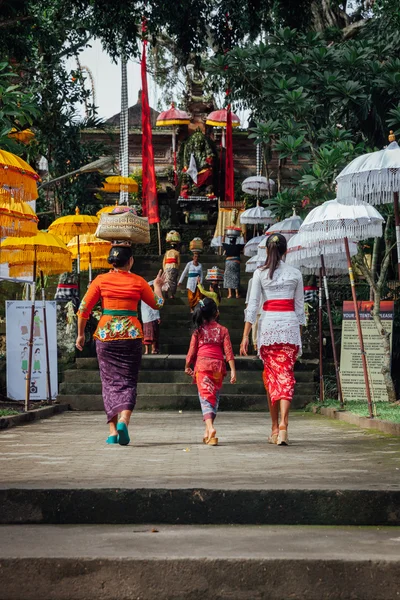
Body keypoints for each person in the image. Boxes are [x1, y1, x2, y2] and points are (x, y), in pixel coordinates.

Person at [76, 244, 165, 446]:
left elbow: (83, 310)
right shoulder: (139, 281)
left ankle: (112, 432)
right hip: (131, 336)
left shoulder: (101, 280)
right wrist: (158, 285)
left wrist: (81, 334)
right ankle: (124, 420)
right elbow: (157, 304)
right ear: (131, 261)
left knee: (109, 383)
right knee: (128, 381)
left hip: (106, 336)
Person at [240, 233, 305, 446]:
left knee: (271, 378)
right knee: (286, 376)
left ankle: (275, 428)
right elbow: (299, 310)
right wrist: (299, 336)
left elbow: (252, 306)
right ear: (286, 250)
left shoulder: (259, 274)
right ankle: (284, 426)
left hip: (268, 331)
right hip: (289, 328)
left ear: (267, 250)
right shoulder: (295, 273)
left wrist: (245, 336)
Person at [185, 297, 236, 446]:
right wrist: (233, 370)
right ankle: (208, 433)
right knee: (213, 397)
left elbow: (192, 351)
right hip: (218, 367)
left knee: (205, 398)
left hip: (202, 366)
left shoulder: (198, 331)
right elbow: (228, 352)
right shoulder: (223, 330)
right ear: (216, 313)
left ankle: (211, 428)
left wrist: (187, 365)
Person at [141, 281, 160, 355]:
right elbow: (156, 307)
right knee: (153, 334)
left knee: (147, 334)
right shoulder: (153, 296)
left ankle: (147, 350)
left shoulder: (143, 296)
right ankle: (153, 349)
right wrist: (158, 317)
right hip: (152, 317)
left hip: (145, 318)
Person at [223, 233, 244, 299]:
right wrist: (243, 236)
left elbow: (222, 242)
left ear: (230, 241)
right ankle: (237, 294)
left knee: (228, 277)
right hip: (236, 262)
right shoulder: (238, 246)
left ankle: (230, 294)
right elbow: (245, 244)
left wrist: (224, 235)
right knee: (236, 277)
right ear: (235, 241)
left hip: (228, 262)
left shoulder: (227, 246)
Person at [162, 232, 181, 299]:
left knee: (167, 280)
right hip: (174, 267)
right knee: (173, 281)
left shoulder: (167, 252)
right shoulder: (177, 253)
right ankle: (172, 294)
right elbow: (178, 263)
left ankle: (166, 291)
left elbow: (164, 261)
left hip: (167, 267)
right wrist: (178, 269)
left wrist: (164, 269)